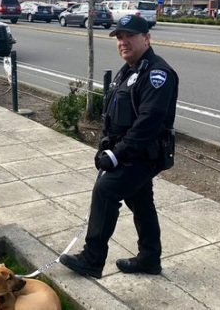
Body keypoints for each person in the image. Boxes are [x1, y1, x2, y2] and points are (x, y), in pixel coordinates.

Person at [59, 15, 179, 279]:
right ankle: (149, 258)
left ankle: (92, 259)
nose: (123, 42)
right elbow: (114, 116)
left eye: (130, 36)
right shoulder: (129, 70)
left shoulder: (157, 74)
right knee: (141, 201)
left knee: (105, 191)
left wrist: (116, 154)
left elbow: (148, 123)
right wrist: (105, 147)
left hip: (144, 153)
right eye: (119, 37)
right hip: (128, 151)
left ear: (146, 39)